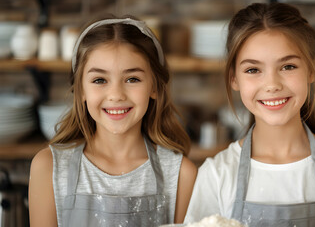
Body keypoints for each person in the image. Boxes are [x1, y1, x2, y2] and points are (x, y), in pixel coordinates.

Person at [184, 3, 315, 227]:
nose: (272, 85)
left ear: (311, 70)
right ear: (234, 79)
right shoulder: (216, 175)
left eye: (288, 66)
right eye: (253, 70)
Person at [29, 15, 197, 227]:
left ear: (154, 87)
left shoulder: (181, 174)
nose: (116, 95)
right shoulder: (48, 167)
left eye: (132, 79)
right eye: (100, 80)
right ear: (81, 90)